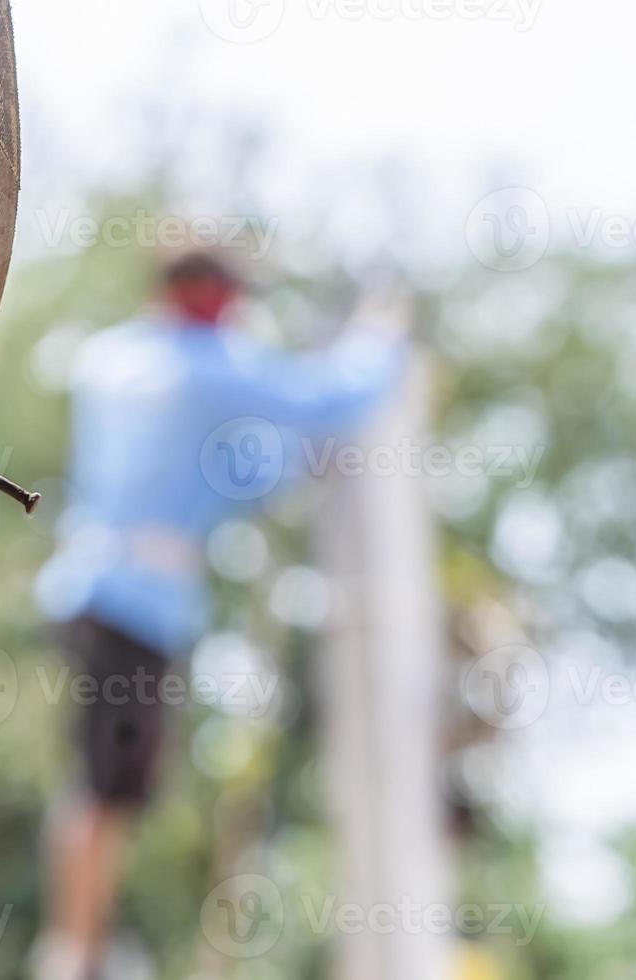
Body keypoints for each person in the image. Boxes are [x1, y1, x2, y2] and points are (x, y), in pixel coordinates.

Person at [29, 251, 412, 979]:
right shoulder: (203, 368)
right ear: (212, 294)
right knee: (107, 789)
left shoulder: (114, 360)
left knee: (104, 783)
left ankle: (77, 945)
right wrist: (381, 336)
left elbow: (214, 474)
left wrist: (289, 465)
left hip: (93, 588)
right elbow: (329, 397)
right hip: (135, 601)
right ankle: (73, 955)